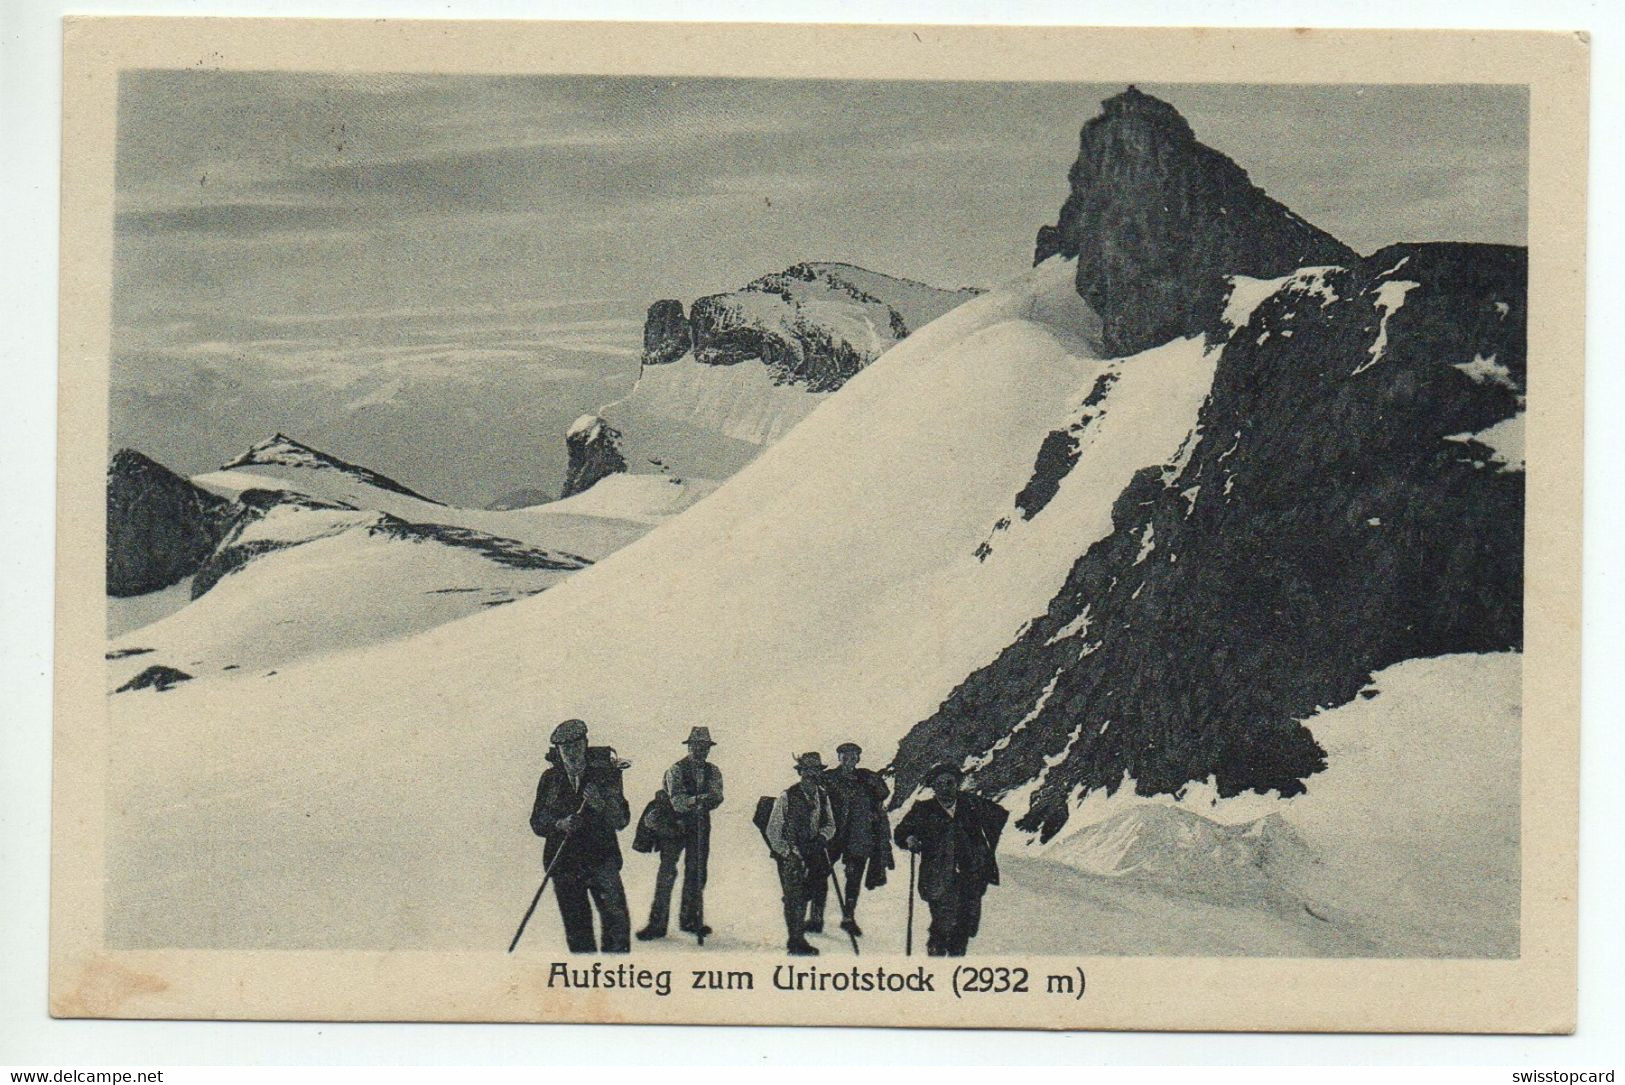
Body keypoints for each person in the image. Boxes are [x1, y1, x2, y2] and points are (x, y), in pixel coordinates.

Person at [528, 718, 632, 954]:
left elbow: (622, 820)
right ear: (558, 751)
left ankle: (617, 976)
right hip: (564, 864)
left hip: (602, 861)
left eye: (576, 746)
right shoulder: (550, 779)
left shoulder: (606, 776)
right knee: (578, 930)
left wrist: (601, 804)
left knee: (617, 923)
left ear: (585, 744)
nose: (572, 753)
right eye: (566, 748)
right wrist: (559, 823)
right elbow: (537, 822)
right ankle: (584, 978)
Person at [894, 763, 1009, 957]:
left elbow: (999, 816)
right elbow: (900, 832)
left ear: (957, 784)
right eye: (939, 783)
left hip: (970, 876)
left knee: (965, 925)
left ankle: (955, 962)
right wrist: (909, 839)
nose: (945, 787)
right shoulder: (923, 809)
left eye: (949, 782)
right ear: (933, 787)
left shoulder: (971, 804)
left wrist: (985, 849)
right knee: (942, 922)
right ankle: (936, 958)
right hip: (937, 876)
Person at [638, 726, 724, 940]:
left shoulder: (713, 771)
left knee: (697, 872)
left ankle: (690, 920)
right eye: (697, 746)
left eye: (705, 747)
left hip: (701, 824)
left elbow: (718, 796)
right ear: (690, 746)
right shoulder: (675, 770)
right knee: (667, 871)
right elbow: (677, 802)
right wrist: (699, 800)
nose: (701, 750)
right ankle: (656, 924)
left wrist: (702, 800)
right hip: (674, 824)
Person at [814, 741, 894, 936]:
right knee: (819, 872)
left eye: (853, 756)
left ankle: (848, 918)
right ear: (838, 757)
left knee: (854, 877)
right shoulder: (828, 778)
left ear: (858, 758)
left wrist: (873, 784)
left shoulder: (866, 778)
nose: (849, 759)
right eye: (845, 755)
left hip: (858, 836)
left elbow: (883, 793)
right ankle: (816, 918)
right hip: (832, 834)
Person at [765, 752, 837, 956]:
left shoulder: (822, 796)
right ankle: (795, 941)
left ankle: (798, 937)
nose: (810, 775)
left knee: (806, 893)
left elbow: (830, 824)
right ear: (800, 773)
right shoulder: (787, 796)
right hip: (791, 853)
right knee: (793, 896)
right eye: (807, 771)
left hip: (813, 851)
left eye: (815, 771)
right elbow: (773, 830)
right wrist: (788, 852)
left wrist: (823, 836)